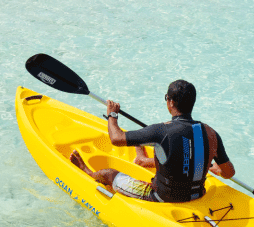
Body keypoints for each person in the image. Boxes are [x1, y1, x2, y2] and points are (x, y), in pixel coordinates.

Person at [69, 80, 235, 203]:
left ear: (170, 102)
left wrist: (112, 115)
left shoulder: (161, 130)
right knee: (173, 159)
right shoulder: (210, 133)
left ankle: (88, 173)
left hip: (162, 198)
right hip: (198, 196)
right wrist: (214, 168)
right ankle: (141, 160)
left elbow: (116, 138)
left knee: (109, 174)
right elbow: (229, 173)